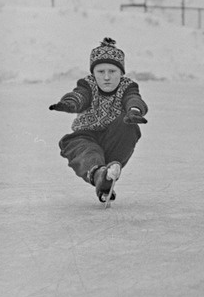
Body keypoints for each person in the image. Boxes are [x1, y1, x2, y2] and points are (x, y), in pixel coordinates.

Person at [49, 38, 148, 202]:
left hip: (112, 140)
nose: (107, 77)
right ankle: (101, 175)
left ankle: (110, 169)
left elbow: (133, 98)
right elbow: (80, 96)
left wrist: (134, 110)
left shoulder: (127, 87)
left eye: (112, 71)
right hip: (85, 136)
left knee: (128, 125)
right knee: (87, 152)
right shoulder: (88, 85)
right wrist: (70, 103)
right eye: (101, 72)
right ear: (93, 74)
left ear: (121, 73)